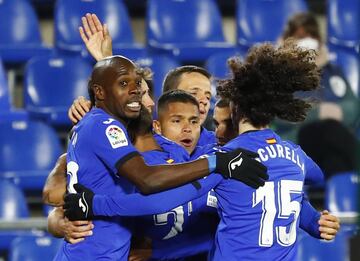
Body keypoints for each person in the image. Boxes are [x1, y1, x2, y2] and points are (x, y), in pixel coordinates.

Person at [63, 42, 341, 260]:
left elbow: (158, 201)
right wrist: (316, 221)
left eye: (207, 101)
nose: (202, 106)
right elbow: (307, 181)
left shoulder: (224, 156)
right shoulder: (292, 156)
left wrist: (95, 204)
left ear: (234, 110)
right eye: (194, 97)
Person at [52, 55, 267, 260]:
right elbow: (147, 181)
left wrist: (218, 167)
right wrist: (217, 167)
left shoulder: (206, 147)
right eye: (177, 119)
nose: (136, 91)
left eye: (137, 84)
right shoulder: (108, 128)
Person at [69, 13, 216, 146]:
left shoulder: (216, 142)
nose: (203, 100)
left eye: (208, 96)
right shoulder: (137, 139)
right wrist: (87, 118)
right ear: (169, 98)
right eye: (194, 93)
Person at [279, 12, 360, 133]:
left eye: (313, 35)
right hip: (296, 145)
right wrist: (318, 113)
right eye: (301, 37)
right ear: (288, 40)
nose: (308, 41)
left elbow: (353, 105)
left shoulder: (333, 71)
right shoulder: (278, 74)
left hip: (336, 141)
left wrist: (339, 111)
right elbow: (279, 113)